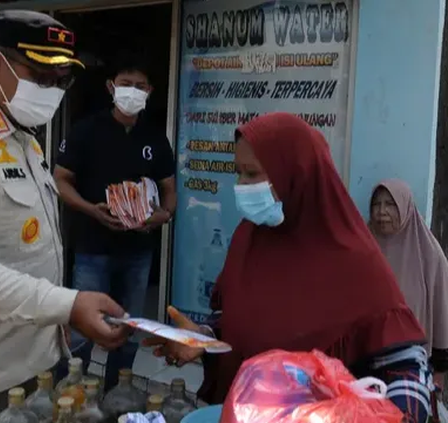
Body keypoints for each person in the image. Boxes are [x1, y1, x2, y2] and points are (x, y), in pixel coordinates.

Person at [145, 113, 435, 423]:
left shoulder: (354, 260)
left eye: (253, 174)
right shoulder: (249, 238)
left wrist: (398, 416)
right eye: (238, 173)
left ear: (295, 175)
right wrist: (202, 339)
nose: (241, 186)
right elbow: (241, 322)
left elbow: (406, 363)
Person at [0, 10, 129, 421]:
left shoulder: (24, 136)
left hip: (41, 360)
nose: (51, 91)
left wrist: (60, 317)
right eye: (40, 76)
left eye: (60, 81)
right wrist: (67, 304)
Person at [54, 52, 176, 391]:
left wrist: (163, 215)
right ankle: (69, 395)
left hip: (138, 252)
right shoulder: (86, 131)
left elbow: (169, 188)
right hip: (93, 247)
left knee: (128, 328)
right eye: (126, 85)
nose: (133, 92)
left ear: (150, 91)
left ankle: (115, 394)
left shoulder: (154, 138)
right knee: (83, 331)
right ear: (111, 87)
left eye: (140, 86)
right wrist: (91, 209)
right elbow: (61, 179)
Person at [369, 179, 448, 382]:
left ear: (405, 207)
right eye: (377, 204)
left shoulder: (429, 255)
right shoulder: (363, 246)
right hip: (366, 358)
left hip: (412, 363)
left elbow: (442, 313)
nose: (382, 211)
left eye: (390, 204)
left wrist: (440, 369)